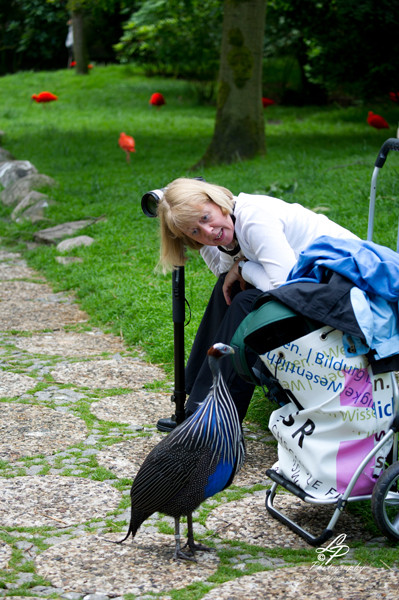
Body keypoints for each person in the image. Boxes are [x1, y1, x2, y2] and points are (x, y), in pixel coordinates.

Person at [155, 177, 359, 431]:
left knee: (245, 303)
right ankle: (194, 404)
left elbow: (286, 289)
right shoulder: (233, 222)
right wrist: (216, 250)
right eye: (195, 231)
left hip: (346, 296)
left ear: (218, 202)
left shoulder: (254, 218)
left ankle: (216, 423)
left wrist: (243, 267)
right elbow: (222, 269)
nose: (208, 231)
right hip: (317, 289)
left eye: (205, 218)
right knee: (225, 289)